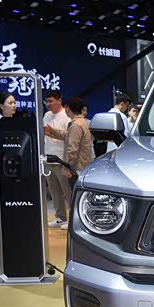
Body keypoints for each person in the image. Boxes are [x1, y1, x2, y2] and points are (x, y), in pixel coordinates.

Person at [61, 97, 93, 229]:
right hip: (83, 165)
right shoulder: (82, 122)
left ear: (68, 108)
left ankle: (74, 223)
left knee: (74, 196)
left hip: (77, 167)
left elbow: (72, 149)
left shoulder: (75, 125)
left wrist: (68, 167)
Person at [42, 90, 72, 227]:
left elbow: (68, 138)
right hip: (48, 158)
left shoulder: (67, 116)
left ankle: (73, 219)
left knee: (67, 191)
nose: (48, 104)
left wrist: (52, 133)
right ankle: (60, 217)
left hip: (61, 159)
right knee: (54, 190)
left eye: (51, 101)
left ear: (59, 100)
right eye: (46, 101)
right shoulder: (47, 115)